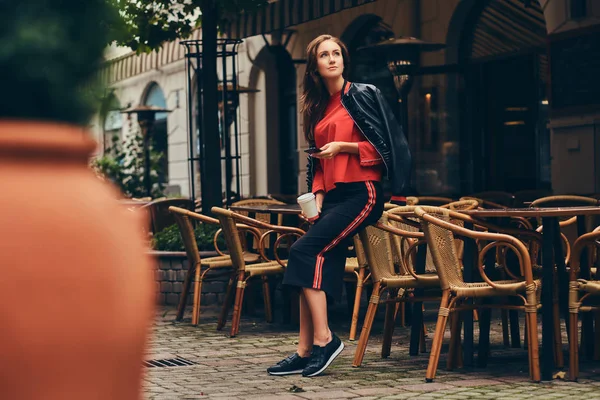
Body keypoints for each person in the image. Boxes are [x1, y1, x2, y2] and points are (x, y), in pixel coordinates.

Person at [267, 34, 411, 378]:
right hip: (332, 198)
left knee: (304, 253)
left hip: (364, 193)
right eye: (324, 55)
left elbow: (391, 148)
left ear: (344, 59)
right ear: (314, 65)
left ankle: (325, 339)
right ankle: (304, 351)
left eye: (336, 53)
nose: (332, 59)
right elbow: (317, 162)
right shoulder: (317, 105)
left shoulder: (364, 94)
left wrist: (344, 147)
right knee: (308, 261)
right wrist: (315, 197)